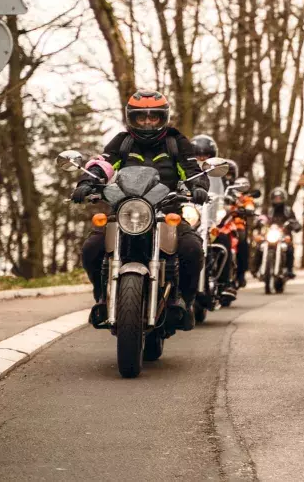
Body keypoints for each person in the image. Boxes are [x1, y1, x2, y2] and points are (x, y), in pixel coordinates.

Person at [73, 90, 209, 330]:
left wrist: (198, 186)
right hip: (125, 209)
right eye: (141, 118)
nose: (147, 122)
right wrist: (87, 181)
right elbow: (104, 163)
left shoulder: (176, 143)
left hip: (166, 211)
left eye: (153, 117)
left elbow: (190, 168)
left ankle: (184, 302)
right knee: (92, 248)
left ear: (163, 118)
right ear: (131, 119)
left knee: (192, 248)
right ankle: (102, 297)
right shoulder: (122, 142)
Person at [188, 135, 238, 300]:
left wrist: (226, 204)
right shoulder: (184, 170)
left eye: (206, 156)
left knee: (223, 239)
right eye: (198, 156)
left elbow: (221, 195)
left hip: (209, 222)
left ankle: (225, 284)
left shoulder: (218, 173)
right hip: (190, 219)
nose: (202, 159)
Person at [255, 187, 302, 280]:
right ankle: (256, 268)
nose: (277, 199)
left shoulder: (288, 210)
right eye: (276, 198)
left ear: (283, 198)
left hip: (284, 235)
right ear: (272, 198)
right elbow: (261, 218)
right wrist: (259, 222)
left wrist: (294, 224)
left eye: (279, 197)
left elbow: (294, 220)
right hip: (270, 234)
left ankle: (289, 270)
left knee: (290, 248)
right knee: (260, 246)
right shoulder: (267, 209)